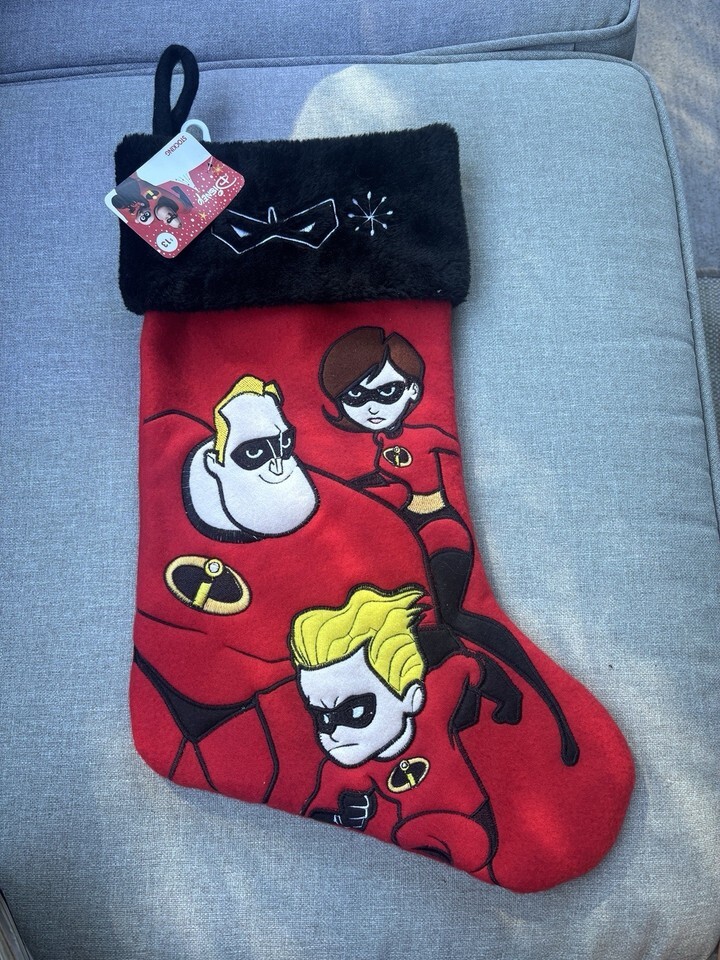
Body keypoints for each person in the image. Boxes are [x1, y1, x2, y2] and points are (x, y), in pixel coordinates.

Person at [132, 374, 520, 813]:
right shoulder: (171, 441)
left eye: (283, 445)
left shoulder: (372, 529)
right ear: (215, 462)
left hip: (271, 728)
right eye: (254, 453)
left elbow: (427, 646)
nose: (277, 466)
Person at [320, 326, 579, 766]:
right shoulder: (379, 444)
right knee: (424, 628)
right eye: (357, 397)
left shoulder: (425, 435)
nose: (372, 407)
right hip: (412, 548)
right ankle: (478, 694)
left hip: (441, 535)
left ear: (413, 390)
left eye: (387, 392)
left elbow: (421, 476)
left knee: (451, 618)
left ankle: (503, 690)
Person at [290, 583, 499, 883]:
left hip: (473, 819)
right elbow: (319, 808)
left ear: (411, 698)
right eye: (322, 718)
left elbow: (467, 666)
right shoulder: (339, 770)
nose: (333, 732)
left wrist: (507, 699)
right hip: (428, 835)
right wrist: (345, 815)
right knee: (412, 831)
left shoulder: (437, 700)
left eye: (355, 712)